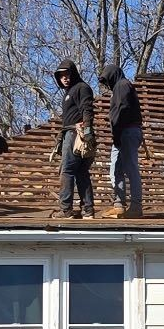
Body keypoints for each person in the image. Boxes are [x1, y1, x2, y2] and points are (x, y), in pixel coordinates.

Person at [49, 59, 95, 218]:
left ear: (73, 73)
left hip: (77, 134)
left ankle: (66, 209)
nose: (65, 78)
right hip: (71, 133)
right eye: (61, 76)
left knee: (67, 170)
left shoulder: (81, 88)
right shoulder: (68, 93)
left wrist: (87, 132)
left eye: (67, 74)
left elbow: (87, 110)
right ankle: (88, 210)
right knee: (82, 172)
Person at [97, 64, 144, 218]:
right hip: (122, 132)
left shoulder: (122, 85)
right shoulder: (120, 87)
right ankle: (119, 205)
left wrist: (117, 130)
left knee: (131, 168)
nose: (107, 84)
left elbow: (122, 110)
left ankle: (136, 206)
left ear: (113, 75)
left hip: (127, 131)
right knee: (116, 169)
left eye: (107, 80)